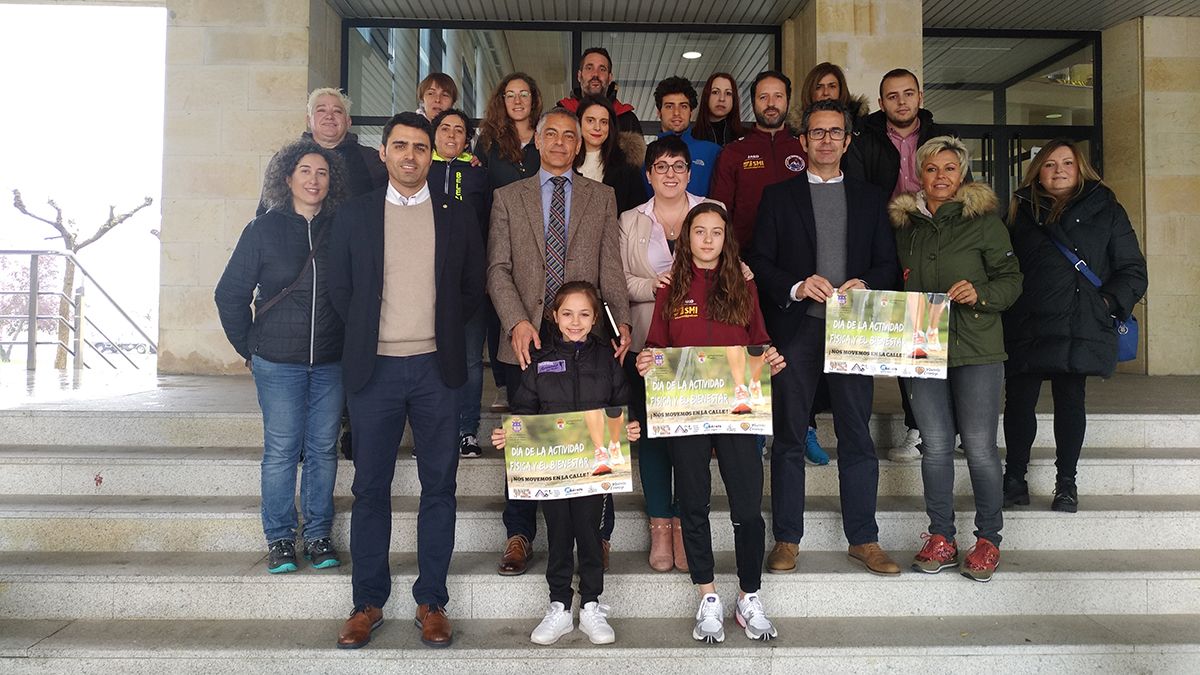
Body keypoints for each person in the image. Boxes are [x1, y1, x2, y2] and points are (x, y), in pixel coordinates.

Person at [328, 112, 485, 650]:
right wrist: (378, 334)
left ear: (432, 155)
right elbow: (340, 289)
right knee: (370, 488)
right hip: (373, 373)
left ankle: (431, 601)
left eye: (420, 147)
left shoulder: (457, 215)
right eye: (401, 146)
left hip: (436, 372)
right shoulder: (355, 215)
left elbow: (471, 288)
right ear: (384, 154)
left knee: (439, 488)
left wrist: (434, 331)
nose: (411, 156)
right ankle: (367, 602)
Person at [746, 100, 901, 577]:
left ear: (848, 140)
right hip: (798, 328)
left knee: (857, 433)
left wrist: (867, 284)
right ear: (804, 140)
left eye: (836, 132)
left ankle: (865, 539)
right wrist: (796, 284)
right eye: (818, 133)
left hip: (853, 330)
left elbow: (889, 265)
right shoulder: (778, 196)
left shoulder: (872, 197)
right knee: (790, 435)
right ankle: (787, 539)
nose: (827, 140)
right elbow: (760, 261)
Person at [488, 106, 633, 577]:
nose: (558, 142)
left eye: (568, 136)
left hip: (585, 335)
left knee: (594, 432)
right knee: (528, 436)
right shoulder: (509, 197)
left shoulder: (602, 196)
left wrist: (621, 323)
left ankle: (597, 537)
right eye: (549, 134)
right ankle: (520, 533)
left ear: (579, 144)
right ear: (538, 142)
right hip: (529, 337)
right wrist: (515, 321)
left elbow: (611, 267)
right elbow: (498, 270)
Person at [636, 202, 787, 643]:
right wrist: (648, 360)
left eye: (715, 232)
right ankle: (707, 595)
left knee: (746, 506)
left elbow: (758, 340)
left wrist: (771, 358)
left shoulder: (742, 283)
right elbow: (657, 346)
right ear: (686, 238)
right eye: (698, 231)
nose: (707, 239)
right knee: (694, 503)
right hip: (686, 411)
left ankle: (748, 595)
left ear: (726, 237)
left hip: (737, 410)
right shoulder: (671, 285)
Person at [889, 136, 1023, 583]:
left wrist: (981, 294)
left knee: (982, 449)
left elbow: (1012, 279)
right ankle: (941, 536)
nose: (940, 176)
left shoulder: (984, 223)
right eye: (931, 168)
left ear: (962, 175)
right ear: (918, 174)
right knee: (936, 447)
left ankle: (988, 539)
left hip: (978, 349)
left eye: (950, 168)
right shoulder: (905, 226)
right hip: (923, 351)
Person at [215, 140, 349, 575]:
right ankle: (279, 539)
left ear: (332, 182)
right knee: (281, 450)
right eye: (305, 171)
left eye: (322, 173)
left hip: (330, 359)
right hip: (278, 361)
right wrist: (248, 347)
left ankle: (318, 534)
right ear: (287, 178)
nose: (314, 179)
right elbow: (229, 294)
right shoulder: (263, 229)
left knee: (323, 449)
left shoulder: (340, 228)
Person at [1001, 139, 1147, 512]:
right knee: (1019, 404)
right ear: (1038, 172)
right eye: (1049, 164)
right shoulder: (1020, 211)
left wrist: (1104, 303)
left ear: (1081, 169)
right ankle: (1014, 478)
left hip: (1079, 321)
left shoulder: (1108, 210)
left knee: (1070, 403)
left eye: (1067, 162)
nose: (1059, 170)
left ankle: (1067, 483)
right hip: (1027, 321)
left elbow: (1132, 269)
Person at [491, 281, 640, 646]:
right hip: (553, 472)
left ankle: (591, 604)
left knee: (590, 535)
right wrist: (511, 434)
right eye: (568, 314)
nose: (576, 321)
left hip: (595, 470)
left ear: (595, 320)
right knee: (558, 535)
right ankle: (559, 605)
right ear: (554, 316)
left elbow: (620, 404)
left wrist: (628, 428)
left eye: (584, 314)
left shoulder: (607, 359)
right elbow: (524, 411)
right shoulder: (540, 361)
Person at [843, 68, 958, 463]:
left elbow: (961, 189)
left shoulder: (942, 138)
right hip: (889, 244)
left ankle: (945, 425)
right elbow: (857, 195)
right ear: (881, 103)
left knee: (938, 333)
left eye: (908, 94)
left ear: (920, 96)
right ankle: (917, 426)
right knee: (905, 339)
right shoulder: (864, 139)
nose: (901, 102)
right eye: (893, 96)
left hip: (936, 239)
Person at [620, 135, 720, 573]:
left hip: (702, 353)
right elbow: (616, 278)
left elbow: (730, 265)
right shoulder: (630, 220)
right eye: (661, 166)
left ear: (689, 171)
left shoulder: (711, 211)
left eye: (679, 165)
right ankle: (661, 525)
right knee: (654, 441)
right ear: (648, 174)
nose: (671, 174)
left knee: (692, 444)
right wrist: (651, 287)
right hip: (648, 347)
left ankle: (685, 522)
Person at [476, 72, 544, 413]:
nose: (517, 101)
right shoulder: (487, 142)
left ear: (534, 99)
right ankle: (503, 381)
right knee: (498, 308)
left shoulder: (545, 139)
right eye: (510, 95)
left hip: (538, 239)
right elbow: (479, 189)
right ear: (502, 101)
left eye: (524, 95)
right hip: (499, 234)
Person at [429, 108, 492, 458]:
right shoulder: (422, 169)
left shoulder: (479, 176)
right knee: (430, 355)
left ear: (467, 138)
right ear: (435, 133)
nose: (452, 135)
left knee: (469, 359)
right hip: (426, 282)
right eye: (445, 128)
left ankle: (467, 430)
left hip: (469, 281)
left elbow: (489, 226)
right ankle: (433, 429)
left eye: (459, 130)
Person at [710, 70, 807, 248]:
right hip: (746, 258)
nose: (771, 104)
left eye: (778, 96)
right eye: (763, 97)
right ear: (753, 102)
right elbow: (719, 213)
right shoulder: (733, 152)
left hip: (799, 256)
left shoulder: (804, 149)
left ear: (787, 100)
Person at [257, 87, 385, 216]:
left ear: (348, 121)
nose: (329, 116)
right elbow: (266, 210)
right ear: (309, 120)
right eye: (321, 110)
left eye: (337, 111)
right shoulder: (285, 159)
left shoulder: (371, 159)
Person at [649, 76, 722, 197]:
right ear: (659, 112)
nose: (676, 113)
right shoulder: (646, 155)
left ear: (691, 113)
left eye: (683, 106)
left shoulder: (712, 152)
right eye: (669, 106)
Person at [575, 95, 646, 214]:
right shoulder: (565, 162)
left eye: (603, 122)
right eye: (590, 120)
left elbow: (638, 214)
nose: (597, 127)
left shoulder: (627, 167)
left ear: (610, 127)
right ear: (579, 123)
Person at [557, 47, 642, 133]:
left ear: (609, 78)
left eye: (602, 69)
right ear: (579, 76)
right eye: (589, 68)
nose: (595, 74)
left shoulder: (628, 120)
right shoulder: (560, 114)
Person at [691, 72, 747, 147]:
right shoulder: (691, 137)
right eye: (715, 92)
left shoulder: (747, 137)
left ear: (734, 99)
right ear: (706, 96)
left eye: (728, 93)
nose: (722, 99)